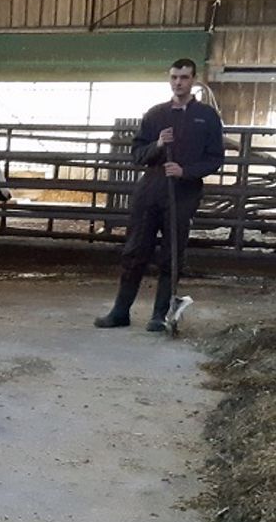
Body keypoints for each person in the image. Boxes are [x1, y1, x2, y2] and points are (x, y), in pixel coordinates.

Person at [95, 58, 224, 332]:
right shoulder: (155, 114)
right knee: (135, 250)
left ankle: (159, 315)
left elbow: (215, 159)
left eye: (184, 77)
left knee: (171, 254)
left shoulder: (207, 117)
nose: (178, 82)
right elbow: (137, 155)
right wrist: (158, 144)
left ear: (193, 80)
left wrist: (185, 171)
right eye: (174, 77)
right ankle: (120, 311)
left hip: (183, 193)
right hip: (151, 190)